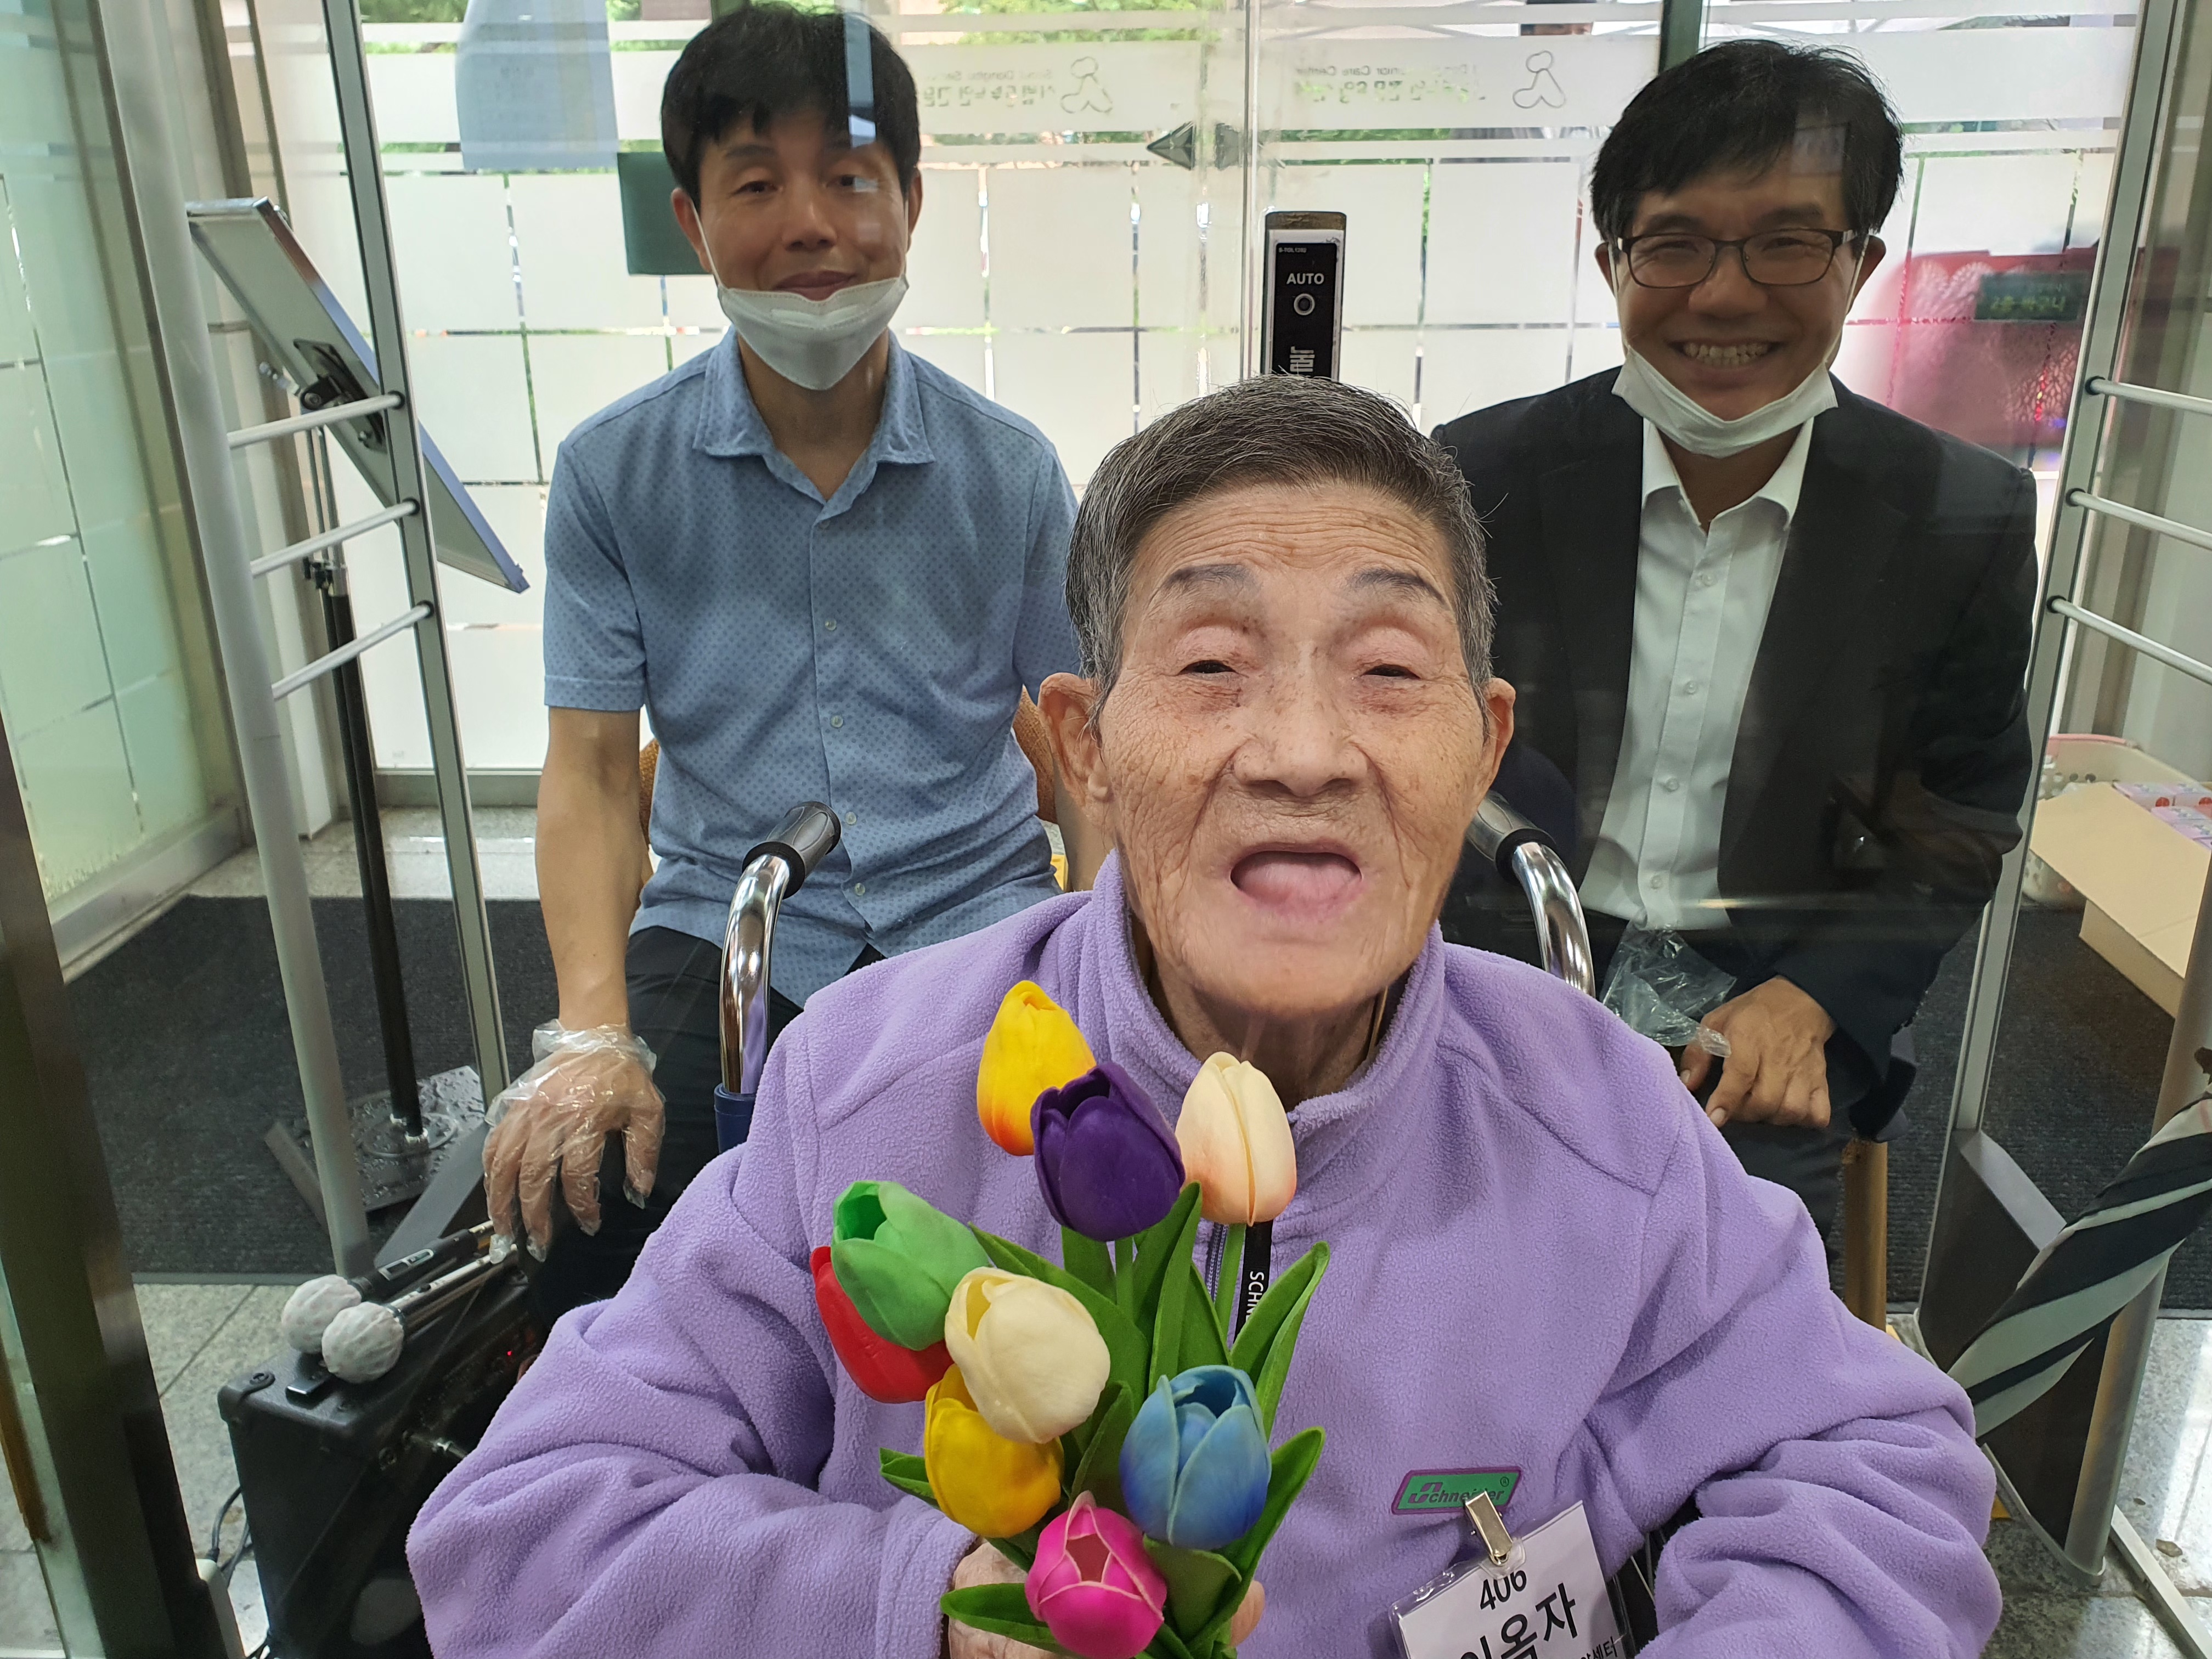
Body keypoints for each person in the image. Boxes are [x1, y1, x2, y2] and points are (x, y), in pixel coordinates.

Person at [410, 376, 2002, 1658]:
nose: (1302, 750)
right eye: (1213, 663)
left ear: (1481, 747)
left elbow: (1878, 1470)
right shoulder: (873, 1087)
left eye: (1390, 670)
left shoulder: (1597, 1115)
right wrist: (924, 1611)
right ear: (1083, 748)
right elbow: (526, 1529)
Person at [486, 3, 1102, 1316]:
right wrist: (591, 1028)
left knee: (1068, 1219)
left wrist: (1116, 968)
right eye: (758, 184)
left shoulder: (1009, 472)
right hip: (724, 924)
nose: (812, 223)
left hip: (977, 918)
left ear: (913, 203)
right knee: (590, 1203)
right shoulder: (614, 472)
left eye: (851, 178)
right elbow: (589, 772)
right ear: (694, 222)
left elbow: (1088, 747)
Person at [1434, 40, 2036, 1240]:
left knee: (1721, 1295)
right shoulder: (1474, 477)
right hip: (1495, 965)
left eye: (1787, 242)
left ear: (1862, 261)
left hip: (1764, 1003)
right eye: (1675, 245)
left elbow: (1961, 808)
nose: (1722, 295)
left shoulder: (1955, 516)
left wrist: (1817, 997)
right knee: (1419, 1263)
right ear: (1610, 261)